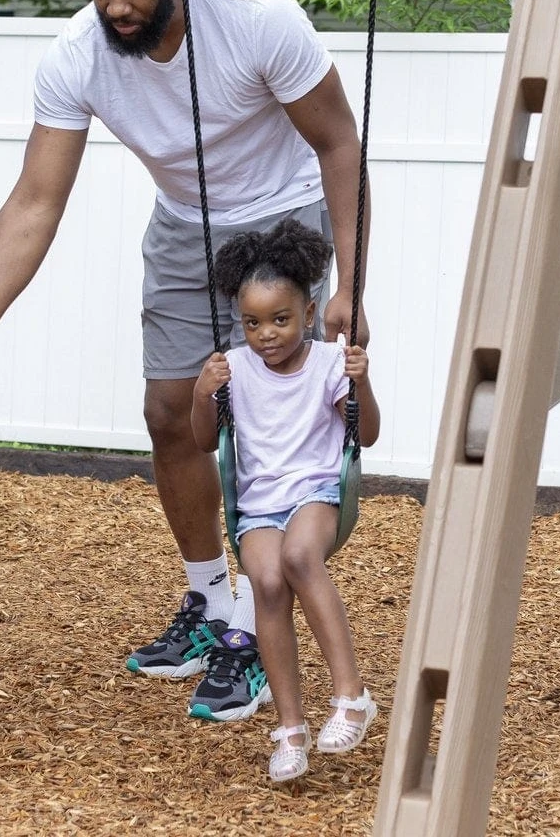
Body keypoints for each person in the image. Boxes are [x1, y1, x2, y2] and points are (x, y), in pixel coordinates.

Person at [0, 0, 370, 719]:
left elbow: (338, 142)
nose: (118, 7)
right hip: (182, 226)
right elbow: (36, 198)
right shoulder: (78, 52)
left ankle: (253, 627)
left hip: (284, 220)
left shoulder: (254, 14)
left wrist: (350, 281)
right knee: (172, 411)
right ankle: (208, 601)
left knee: (266, 421)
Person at [191, 219, 379, 781]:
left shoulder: (328, 361)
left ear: (309, 309)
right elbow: (205, 441)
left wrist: (360, 382)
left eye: (280, 319)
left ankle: (351, 695)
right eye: (252, 322)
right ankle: (290, 732)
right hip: (259, 506)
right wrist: (204, 392)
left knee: (299, 559)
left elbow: (364, 434)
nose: (266, 334)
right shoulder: (234, 367)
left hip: (319, 492)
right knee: (267, 585)